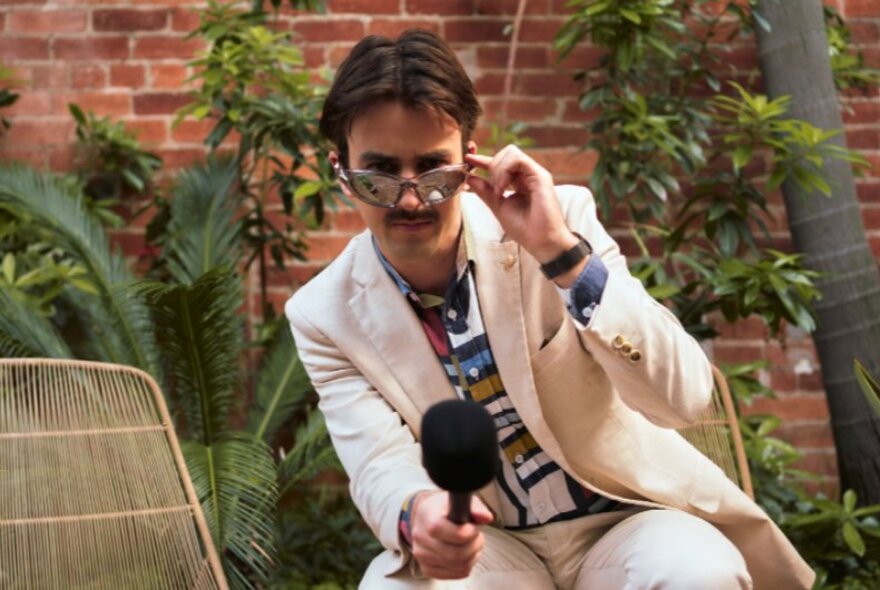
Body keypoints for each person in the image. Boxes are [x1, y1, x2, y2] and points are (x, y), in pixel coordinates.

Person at [285, 29, 814, 589]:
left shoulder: (561, 220)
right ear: (340, 170)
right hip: (492, 549)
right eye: (380, 176)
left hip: (627, 522)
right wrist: (417, 513)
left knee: (697, 572)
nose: (412, 198)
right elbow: (376, 462)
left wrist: (561, 257)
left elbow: (682, 399)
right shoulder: (324, 314)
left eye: (435, 172)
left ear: (469, 161)